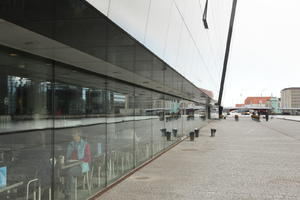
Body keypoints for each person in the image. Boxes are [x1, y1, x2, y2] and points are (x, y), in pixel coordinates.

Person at [64, 128, 91, 200]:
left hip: (82, 166)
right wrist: (68, 160)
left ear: (79, 135)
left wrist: (79, 161)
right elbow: (67, 156)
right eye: (72, 134)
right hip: (71, 164)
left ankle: (68, 193)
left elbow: (88, 158)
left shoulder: (85, 144)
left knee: (69, 172)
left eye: (74, 134)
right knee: (62, 172)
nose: (73, 136)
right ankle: (64, 188)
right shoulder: (71, 144)